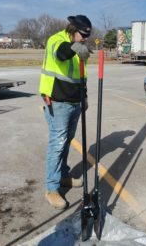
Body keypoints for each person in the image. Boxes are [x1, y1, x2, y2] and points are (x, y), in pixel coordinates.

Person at [39, 15, 92, 209]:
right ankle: (51, 189)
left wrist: (84, 96)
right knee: (58, 143)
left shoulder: (79, 47)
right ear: (72, 30)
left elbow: (81, 75)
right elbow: (61, 54)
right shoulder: (57, 40)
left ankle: (63, 176)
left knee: (67, 142)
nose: (85, 38)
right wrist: (77, 47)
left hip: (74, 101)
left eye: (88, 35)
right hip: (58, 101)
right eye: (83, 35)